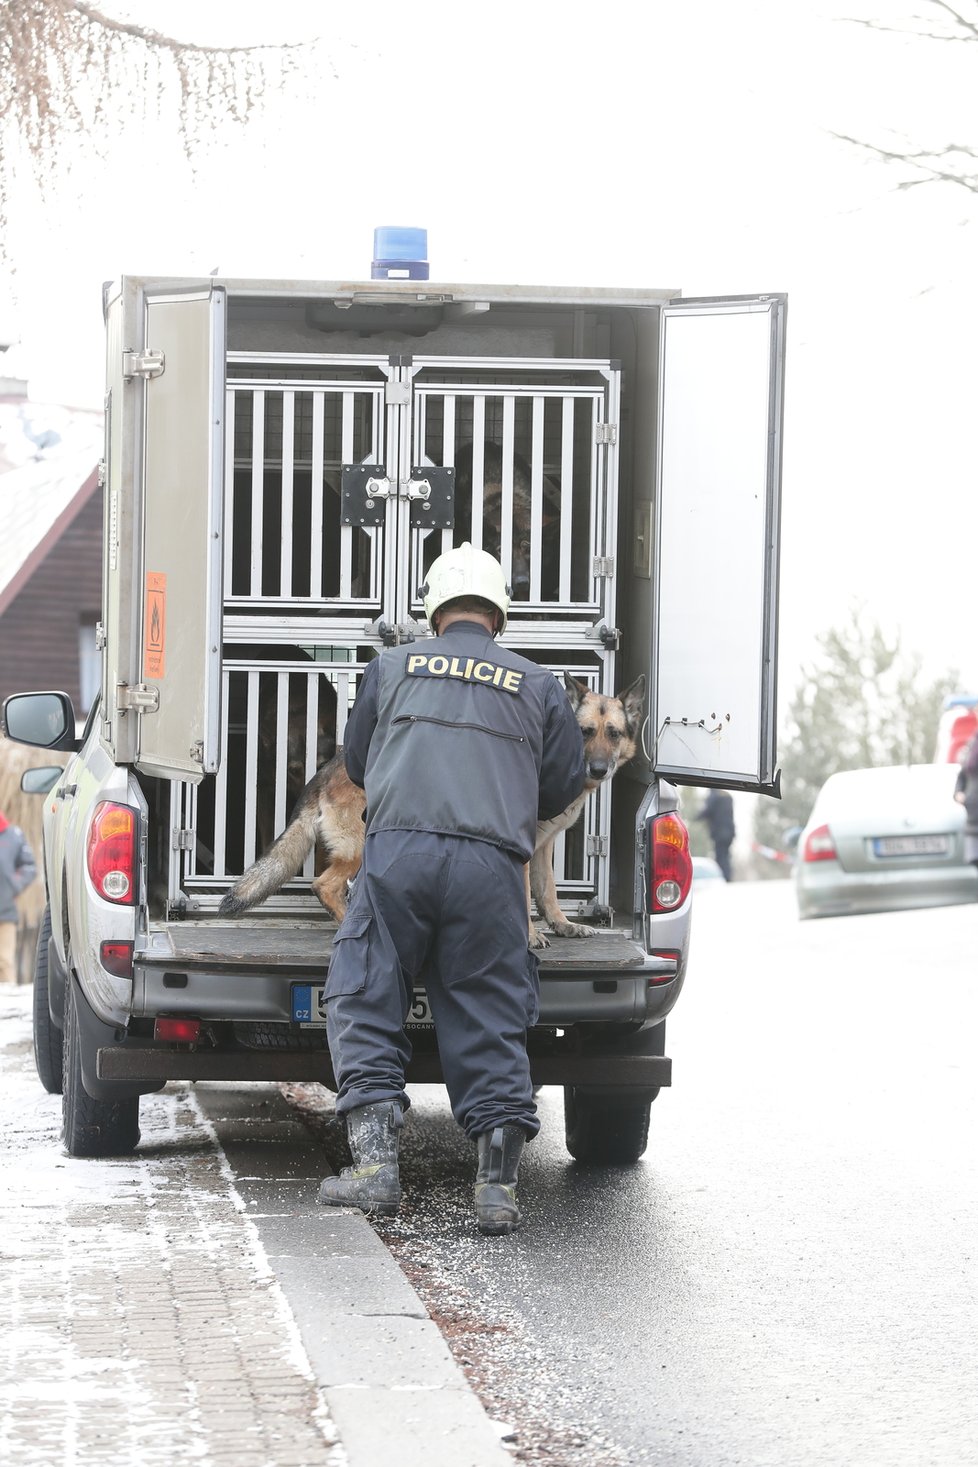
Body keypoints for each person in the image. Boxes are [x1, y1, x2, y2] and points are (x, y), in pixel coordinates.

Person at [317, 543, 585, 1235]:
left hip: (400, 853)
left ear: (433, 609)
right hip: (492, 868)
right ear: (499, 612)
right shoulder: (538, 685)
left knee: (367, 989)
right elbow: (558, 788)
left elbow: (358, 760)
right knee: (491, 1009)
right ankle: (495, 1188)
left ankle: (376, 1170)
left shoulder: (392, 665)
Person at [0, 810, 37, 985]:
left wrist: (13, 885)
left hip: (5, 912)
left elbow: (29, 867)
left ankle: (7, 1003)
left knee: (4, 960)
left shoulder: (13, 837)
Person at [953, 729, 978, 892]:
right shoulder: (973, 741)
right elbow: (962, 775)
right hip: (973, 816)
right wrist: (958, 793)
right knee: (975, 859)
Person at [695, 788, 736, 881]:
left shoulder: (714, 795)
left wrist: (695, 817)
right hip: (729, 831)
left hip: (719, 832)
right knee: (726, 855)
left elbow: (707, 811)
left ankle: (724, 878)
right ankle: (728, 877)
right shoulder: (727, 795)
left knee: (721, 856)